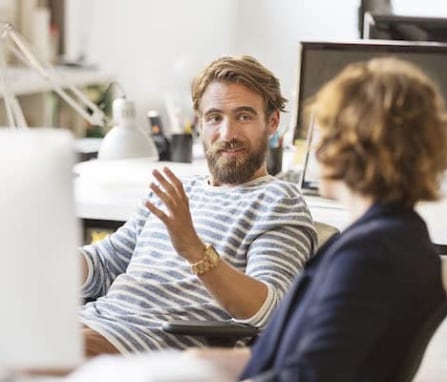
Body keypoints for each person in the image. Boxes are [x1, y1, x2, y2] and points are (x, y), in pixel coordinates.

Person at [191, 57, 447, 381]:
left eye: (326, 131)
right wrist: (197, 364)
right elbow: (297, 357)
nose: (316, 147)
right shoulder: (387, 237)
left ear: (359, 147)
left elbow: (311, 375)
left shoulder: (372, 256)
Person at [79, 55, 317, 357]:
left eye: (243, 116)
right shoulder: (177, 190)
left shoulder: (279, 202)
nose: (227, 134)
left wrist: (193, 248)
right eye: (215, 118)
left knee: (35, 354)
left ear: (271, 122)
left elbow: (270, 311)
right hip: (95, 322)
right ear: (199, 124)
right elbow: (103, 265)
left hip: (154, 346)